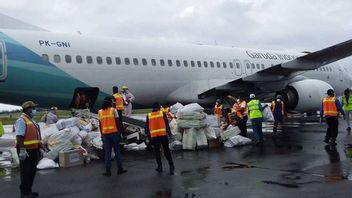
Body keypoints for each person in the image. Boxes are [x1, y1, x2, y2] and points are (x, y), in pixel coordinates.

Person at [15, 101, 42, 198]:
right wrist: (22, 150)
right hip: (26, 151)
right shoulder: (21, 120)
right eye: (32, 108)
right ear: (27, 109)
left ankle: (29, 191)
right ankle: (24, 193)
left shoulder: (32, 120)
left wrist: (40, 147)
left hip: (34, 149)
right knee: (25, 172)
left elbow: (37, 135)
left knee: (32, 172)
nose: (34, 110)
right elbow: (19, 136)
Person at [98, 96, 127, 176]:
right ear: (110, 102)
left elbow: (100, 125)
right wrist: (120, 132)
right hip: (114, 133)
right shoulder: (113, 110)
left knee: (107, 152)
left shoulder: (100, 112)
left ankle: (108, 171)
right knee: (117, 151)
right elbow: (118, 122)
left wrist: (102, 134)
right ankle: (120, 169)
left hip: (105, 134)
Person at [146, 102, 175, 175]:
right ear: (158, 107)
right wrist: (170, 134)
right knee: (166, 150)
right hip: (163, 135)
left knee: (157, 152)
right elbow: (166, 125)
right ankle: (171, 165)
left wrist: (149, 137)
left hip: (154, 136)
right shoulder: (162, 114)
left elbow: (147, 127)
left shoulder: (148, 115)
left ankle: (160, 167)